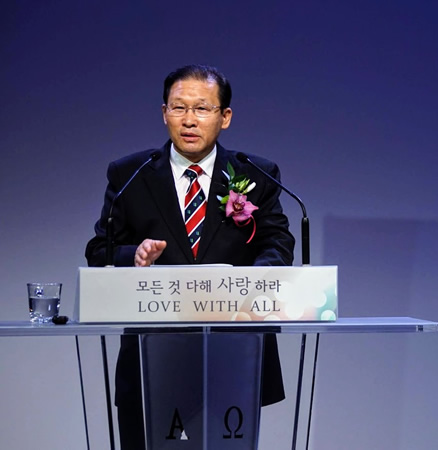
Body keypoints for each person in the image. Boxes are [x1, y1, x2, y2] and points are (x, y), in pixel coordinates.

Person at [85, 64, 295, 447]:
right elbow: (100, 251)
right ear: (164, 112)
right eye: (179, 108)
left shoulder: (255, 174)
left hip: (234, 354)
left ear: (225, 117)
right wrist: (135, 256)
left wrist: (245, 283)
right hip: (153, 355)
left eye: (201, 108)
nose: (189, 120)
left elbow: (277, 244)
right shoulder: (130, 174)